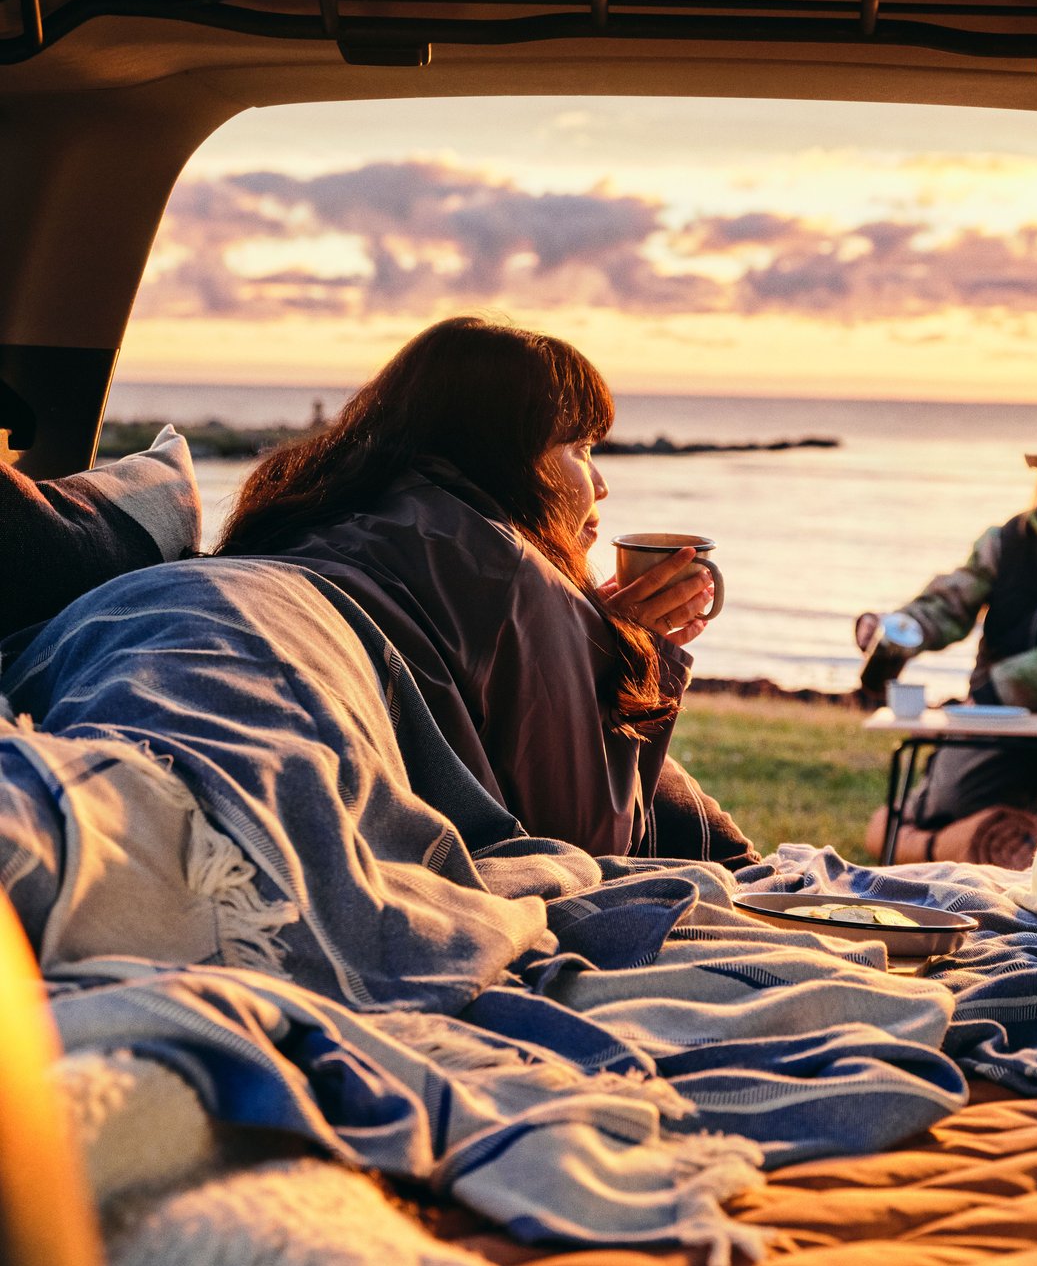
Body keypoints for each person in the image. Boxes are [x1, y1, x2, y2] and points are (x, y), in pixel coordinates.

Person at [217, 316, 759, 867]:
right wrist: (630, 654)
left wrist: (587, 641)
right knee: (717, 845)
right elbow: (585, 846)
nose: (600, 485)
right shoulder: (504, 565)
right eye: (579, 448)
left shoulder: (311, 514)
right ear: (501, 455)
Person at [854, 422, 1037, 863]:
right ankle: (1031, 807)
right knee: (944, 809)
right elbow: (951, 603)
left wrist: (1010, 683)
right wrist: (897, 629)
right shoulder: (1004, 540)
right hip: (995, 711)